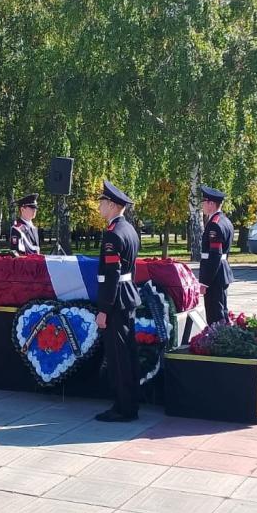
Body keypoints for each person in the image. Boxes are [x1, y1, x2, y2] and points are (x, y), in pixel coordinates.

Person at [93, 180, 141, 422]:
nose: (99, 206)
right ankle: (130, 402)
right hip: (127, 295)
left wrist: (103, 310)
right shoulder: (129, 229)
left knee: (118, 357)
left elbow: (111, 275)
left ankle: (124, 408)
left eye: (102, 202)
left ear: (112, 205)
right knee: (127, 353)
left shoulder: (113, 235)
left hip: (116, 299)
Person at [198, 185, 233, 325]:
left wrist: (205, 282)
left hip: (215, 275)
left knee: (215, 315)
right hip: (221, 272)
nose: (202, 205)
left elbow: (215, 255)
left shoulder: (215, 224)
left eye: (204, 202)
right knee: (221, 311)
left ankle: (218, 344)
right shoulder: (225, 220)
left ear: (211, 204)